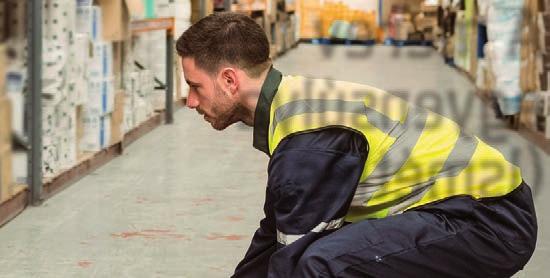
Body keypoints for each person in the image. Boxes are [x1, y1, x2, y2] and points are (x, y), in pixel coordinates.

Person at [176, 12, 538, 278]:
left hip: (489, 220)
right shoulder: (291, 109)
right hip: (468, 210)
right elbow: (274, 233)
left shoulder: (306, 139)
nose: (190, 101)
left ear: (229, 80)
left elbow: (292, 259)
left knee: (321, 264)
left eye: (195, 86)